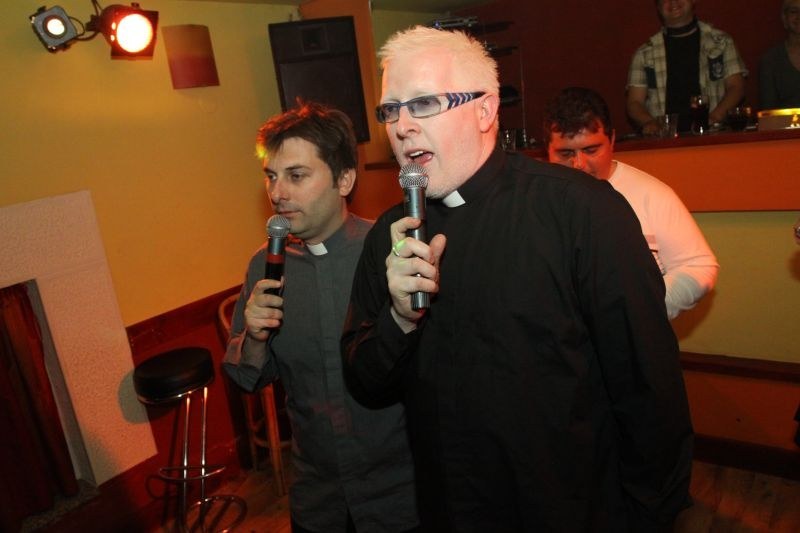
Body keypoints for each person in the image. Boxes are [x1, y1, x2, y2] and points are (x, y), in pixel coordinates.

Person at [342, 26, 693, 532]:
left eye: (423, 104)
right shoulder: (389, 237)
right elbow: (365, 383)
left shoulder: (581, 211)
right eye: (390, 110)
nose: (401, 126)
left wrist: (648, 515)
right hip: (450, 510)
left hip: (570, 510)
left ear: (485, 110)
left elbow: (648, 388)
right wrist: (398, 320)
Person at [222, 102, 418, 533]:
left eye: (296, 175)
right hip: (317, 498)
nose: (277, 193)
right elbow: (246, 379)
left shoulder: (390, 252)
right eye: (271, 176)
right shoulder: (264, 265)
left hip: (399, 497)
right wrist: (254, 337)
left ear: (344, 179)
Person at [544, 86, 719, 320]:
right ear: (547, 149)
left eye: (591, 150)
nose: (579, 164)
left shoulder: (652, 194)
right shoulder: (534, 200)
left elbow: (699, 266)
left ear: (612, 140)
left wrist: (639, 310)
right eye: (565, 154)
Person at [627, 0, 747, 134]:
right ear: (658, 7)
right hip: (666, 140)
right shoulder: (644, 54)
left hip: (714, 136)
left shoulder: (721, 42)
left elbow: (736, 87)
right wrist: (650, 122)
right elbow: (634, 102)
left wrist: (715, 117)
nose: (673, 2)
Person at [759, 0, 800, 110]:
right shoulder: (771, 60)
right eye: (794, 11)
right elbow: (768, 111)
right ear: (784, 18)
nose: (799, 16)